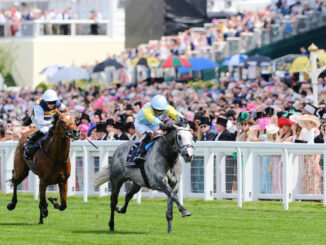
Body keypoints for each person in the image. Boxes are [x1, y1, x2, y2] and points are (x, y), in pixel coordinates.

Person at [130, 95, 184, 167]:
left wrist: (183, 119)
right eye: (157, 110)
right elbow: (151, 118)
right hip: (141, 124)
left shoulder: (167, 107)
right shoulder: (147, 108)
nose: (159, 112)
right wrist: (160, 124)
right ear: (152, 107)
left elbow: (174, 113)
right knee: (150, 134)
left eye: (161, 111)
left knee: (160, 136)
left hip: (154, 123)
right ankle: (139, 154)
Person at [23, 89, 66, 160]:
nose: (52, 104)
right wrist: (53, 122)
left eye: (53, 102)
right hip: (38, 120)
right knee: (46, 130)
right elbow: (41, 122)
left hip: (50, 118)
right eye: (49, 102)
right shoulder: (39, 106)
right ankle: (31, 144)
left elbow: (66, 109)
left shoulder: (58, 103)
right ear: (45, 101)